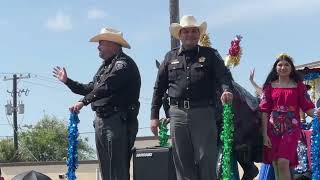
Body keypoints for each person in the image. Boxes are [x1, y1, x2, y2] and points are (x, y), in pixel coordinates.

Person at [150, 15, 233, 180]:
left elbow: (223, 76)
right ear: (180, 35)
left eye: (194, 31)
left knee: (206, 158)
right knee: (182, 160)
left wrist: (226, 90)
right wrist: (154, 116)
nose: (190, 35)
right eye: (186, 31)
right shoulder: (170, 57)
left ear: (199, 35)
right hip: (177, 114)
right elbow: (159, 88)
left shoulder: (210, 54)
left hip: (203, 111)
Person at [53, 27, 141, 180]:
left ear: (113, 45)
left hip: (118, 120)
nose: (98, 47)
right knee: (106, 169)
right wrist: (68, 81)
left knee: (117, 169)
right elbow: (91, 88)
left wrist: (83, 102)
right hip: (102, 120)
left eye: (101, 43)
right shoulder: (105, 66)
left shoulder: (123, 64)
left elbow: (107, 86)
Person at [259, 53, 320, 180]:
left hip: (292, 129)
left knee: (282, 162)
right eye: (280, 65)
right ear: (275, 68)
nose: (283, 67)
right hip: (272, 129)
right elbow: (264, 111)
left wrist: (317, 113)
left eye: (286, 64)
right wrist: (264, 134)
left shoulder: (298, 87)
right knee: (276, 164)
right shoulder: (269, 87)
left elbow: (307, 108)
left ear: (291, 68)